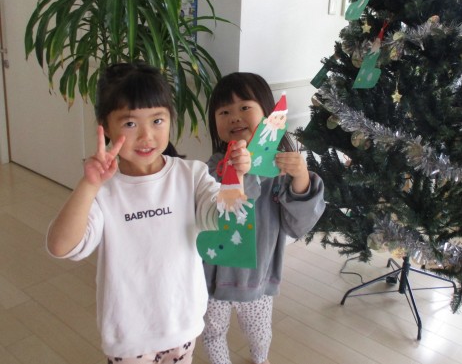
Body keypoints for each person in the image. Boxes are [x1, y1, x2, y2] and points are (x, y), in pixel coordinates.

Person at [45, 62, 253, 364]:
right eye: (130, 124)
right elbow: (60, 246)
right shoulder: (103, 190)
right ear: (105, 126)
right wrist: (89, 185)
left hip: (182, 326)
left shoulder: (191, 175)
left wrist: (236, 177)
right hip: (130, 338)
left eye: (157, 120)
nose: (146, 136)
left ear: (171, 120)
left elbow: (225, 222)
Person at [202, 72, 326, 364]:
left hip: (257, 276)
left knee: (259, 333)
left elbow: (297, 225)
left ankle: (260, 359)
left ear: (268, 114)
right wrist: (238, 172)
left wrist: (301, 177)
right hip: (214, 275)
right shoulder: (212, 167)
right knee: (212, 332)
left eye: (245, 107)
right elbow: (221, 212)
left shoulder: (279, 168)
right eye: (224, 112)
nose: (234, 117)